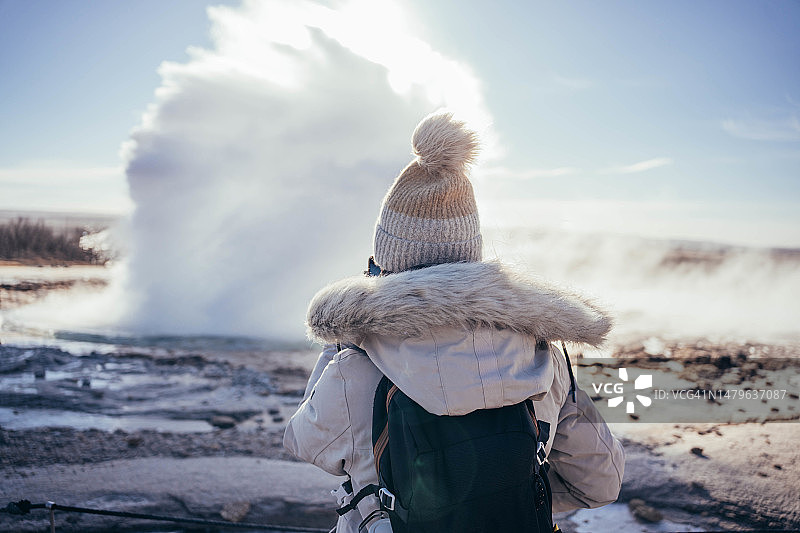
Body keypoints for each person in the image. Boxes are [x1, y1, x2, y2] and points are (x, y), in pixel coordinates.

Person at [284, 111, 625, 533]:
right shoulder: (544, 355)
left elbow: (305, 443)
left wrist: (343, 342)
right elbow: (600, 483)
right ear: (471, 255)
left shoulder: (356, 363)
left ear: (385, 263)